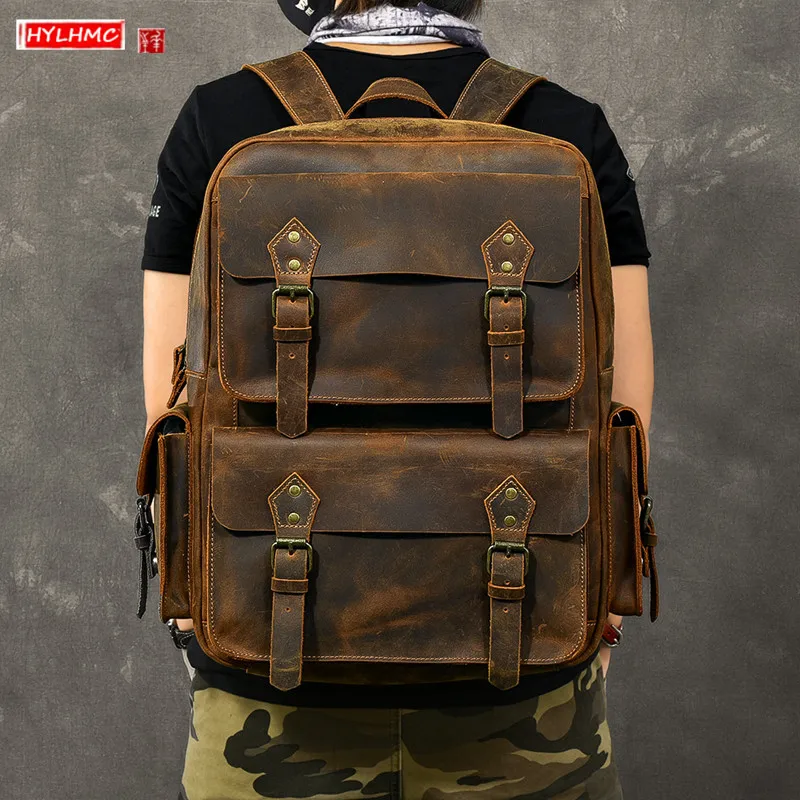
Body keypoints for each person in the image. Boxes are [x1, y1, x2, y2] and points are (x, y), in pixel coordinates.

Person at [141, 1, 655, 797]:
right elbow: (621, 397)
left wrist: (192, 596)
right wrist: (599, 598)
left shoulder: (220, 120)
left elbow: (171, 393)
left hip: (264, 685)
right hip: (529, 685)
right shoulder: (567, 127)